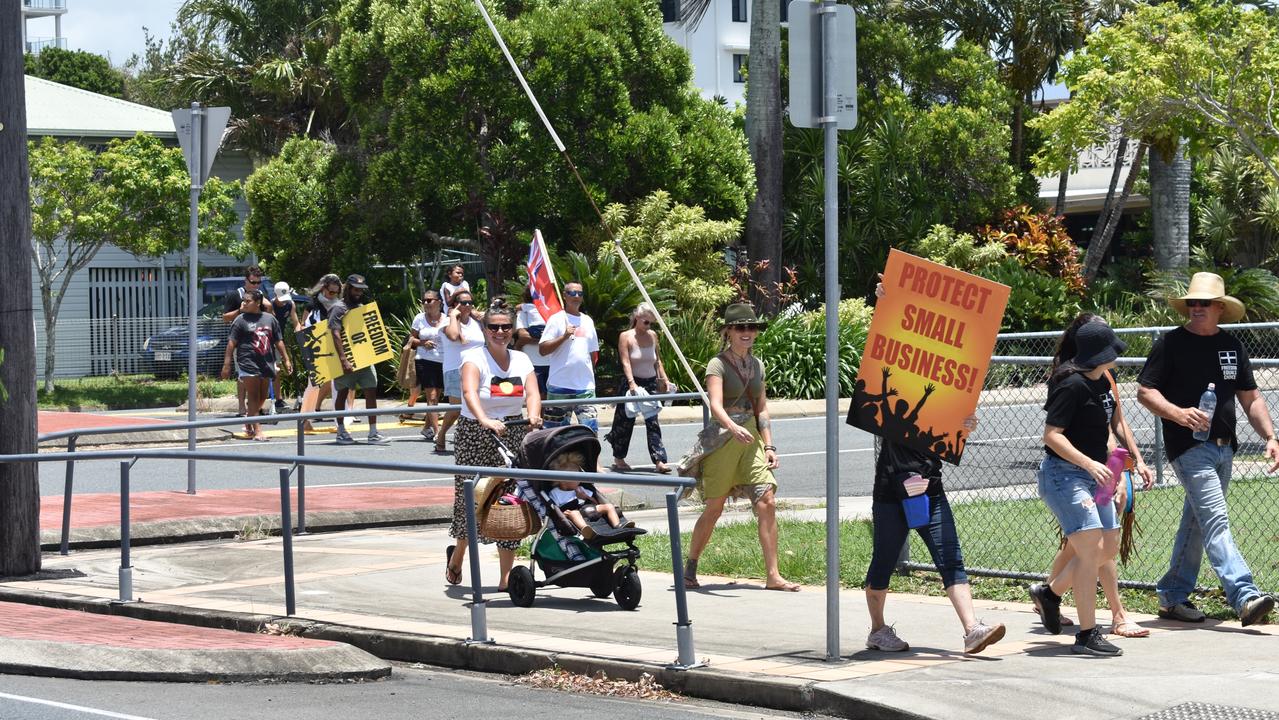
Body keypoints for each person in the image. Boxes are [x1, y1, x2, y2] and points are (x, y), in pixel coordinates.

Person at [855, 279, 1004, 655]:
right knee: (884, 561)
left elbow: (935, 412)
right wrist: (887, 303)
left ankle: (972, 629)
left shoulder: (937, 405)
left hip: (930, 488)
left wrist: (964, 423)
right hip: (893, 491)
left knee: (950, 556)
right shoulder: (892, 413)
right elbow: (884, 352)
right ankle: (877, 629)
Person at [1137, 271, 1278, 627]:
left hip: (1224, 450)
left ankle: (1172, 596)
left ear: (1219, 308)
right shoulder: (1170, 344)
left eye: (1203, 303)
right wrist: (1178, 414)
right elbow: (1146, 391)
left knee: (1197, 525)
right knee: (1216, 521)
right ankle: (1245, 596)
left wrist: (1271, 437)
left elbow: (1251, 397)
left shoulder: (1233, 346)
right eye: (1192, 303)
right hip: (1189, 448)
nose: (1196, 308)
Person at [1029, 313, 1154, 640]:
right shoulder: (1070, 382)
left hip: (1100, 474)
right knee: (1088, 546)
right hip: (1070, 475)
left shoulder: (1104, 381)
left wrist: (1128, 466)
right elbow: (1052, 435)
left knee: (1105, 546)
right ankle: (1092, 628)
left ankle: (1051, 594)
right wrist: (1092, 465)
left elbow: (1113, 428)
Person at [683, 303, 799, 593]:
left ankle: (773, 575)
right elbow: (715, 404)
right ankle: (691, 566)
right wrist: (732, 428)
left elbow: (761, 407)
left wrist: (769, 444)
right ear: (728, 331)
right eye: (740, 328)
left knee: (767, 500)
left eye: (752, 327)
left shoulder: (758, 365)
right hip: (723, 439)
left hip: (751, 440)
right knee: (714, 508)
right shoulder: (717, 364)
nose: (747, 333)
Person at [444, 298, 543, 590]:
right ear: (484, 329)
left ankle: (505, 578)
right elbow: (469, 391)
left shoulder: (522, 359)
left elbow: (533, 392)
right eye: (493, 327)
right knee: (472, 499)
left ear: (513, 329)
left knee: (509, 501)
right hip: (476, 432)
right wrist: (483, 419)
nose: (499, 332)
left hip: (511, 431)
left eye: (505, 327)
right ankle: (459, 554)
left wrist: (534, 415)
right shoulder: (473, 357)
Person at [603, 303, 671, 472]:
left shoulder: (653, 335)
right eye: (646, 322)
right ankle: (619, 458)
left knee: (652, 422)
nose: (648, 326)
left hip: (650, 382)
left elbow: (657, 360)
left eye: (651, 323)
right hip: (632, 382)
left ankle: (659, 460)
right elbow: (625, 361)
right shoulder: (626, 336)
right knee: (624, 422)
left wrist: (664, 379)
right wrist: (631, 382)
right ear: (637, 318)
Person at [220, 289, 292, 441]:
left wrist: (286, 359)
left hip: (266, 361)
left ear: (258, 303)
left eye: (247, 301)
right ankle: (258, 430)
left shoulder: (270, 319)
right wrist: (227, 364)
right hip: (247, 361)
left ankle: (249, 418)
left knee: (262, 396)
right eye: (243, 300)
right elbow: (231, 343)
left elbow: (278, 340)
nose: (243, 303)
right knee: (253, 395)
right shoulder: (240, 320)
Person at [329, 274, 389, 446]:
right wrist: (343, 359)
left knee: (371, 390)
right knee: (342, 392)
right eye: (356, 289)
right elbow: (335, 333)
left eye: (361, 290)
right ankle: (341, 431)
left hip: (364, 360)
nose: (359, 293)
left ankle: (373, 432)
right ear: (348, 288)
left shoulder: (361, 306)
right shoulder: (338, 308)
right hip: (347, 360)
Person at [538, 281, 600, 433]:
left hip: (585, 388)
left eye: (580, 293)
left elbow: (593, 354)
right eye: (572, 293)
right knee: (554, 434)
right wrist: (564, 336)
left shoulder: (588, 321)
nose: (576, 296)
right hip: (559, 386)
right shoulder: (556, 319)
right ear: (564, 296)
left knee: (590, 434)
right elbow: (543, 349)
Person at [439, 288, 485, 453]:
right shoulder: (446, 321)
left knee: (476, 405)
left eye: (470, 303)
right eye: (463, 302)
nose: (467, 305)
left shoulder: (475, 323)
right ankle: (441, 434)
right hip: (454, 369)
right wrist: (453, 316)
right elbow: (453, 336)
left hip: (476, 370)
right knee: (456, 409)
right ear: (455, 304)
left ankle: (472, 438)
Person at [221, 265, 266, 417]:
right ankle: (242, 407)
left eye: (258, 282)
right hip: (240, 341)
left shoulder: (260, 295)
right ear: (245, 281)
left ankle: (256, 406)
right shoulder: (235, 295)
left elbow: (268, 314)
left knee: (260, 374)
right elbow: (225, 318)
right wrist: (241, 310)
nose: (256, 286)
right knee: (242, 375)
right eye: (253, 282)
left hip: (259, 340)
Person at [298, 274, 340, 433]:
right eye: (331, 292)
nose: (334, 295)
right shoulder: (312, 305)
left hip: (336, 349)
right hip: (317, 349)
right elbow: (303, 327)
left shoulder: (340, 305)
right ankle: (304, 419)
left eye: (337, 292)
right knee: (313, 386)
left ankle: (340, 422)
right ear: (323, 289)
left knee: (338, 385)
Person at [406, 290, 447, 442]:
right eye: (424, 300)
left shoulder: (447, 319)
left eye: (430, 300)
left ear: (439, 302)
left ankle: (426, 428)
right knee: (432, 396)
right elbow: (411, 339)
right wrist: (423, 343)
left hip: (444, 361)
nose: (426, 303)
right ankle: (438, 432)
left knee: (437, 395)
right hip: (424, 360)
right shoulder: (419, 319)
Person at [549, 474, 626, 538]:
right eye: (575, 478)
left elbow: (595, 503)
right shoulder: (555, 493)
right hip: (573, 513)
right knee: (575, 513)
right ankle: (586, 530)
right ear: (563, 481)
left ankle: (617, 525)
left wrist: (585, 497)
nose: (579, 479)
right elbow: (555, 509)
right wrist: (563, 514)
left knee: (608, 506)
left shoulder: (581, 488)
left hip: (589, 509)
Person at [269, 281, 300, 412]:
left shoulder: (290, 304)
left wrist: (300, 334)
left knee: (278, 369)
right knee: (272, 369)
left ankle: (279, 400)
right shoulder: (269, 305)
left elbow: (296, 322)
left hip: (279, 340)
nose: (283, 302)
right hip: (267, 339)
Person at [514, 285, 550, 397]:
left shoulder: (553, 311)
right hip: (533, 362)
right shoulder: (524, 311)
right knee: (537, 396)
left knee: (551, 398)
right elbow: (523, 336)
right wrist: (548, 337)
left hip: (553, 362)